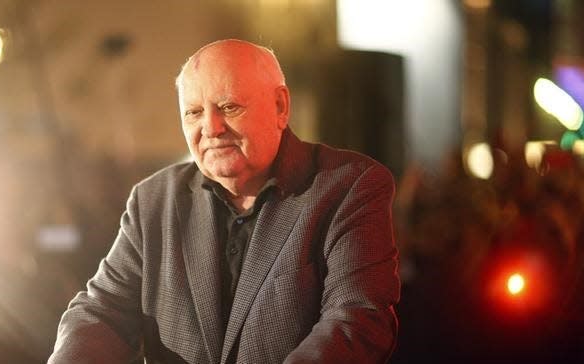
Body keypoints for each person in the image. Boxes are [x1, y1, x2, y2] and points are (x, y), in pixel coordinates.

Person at [48, 39, 400, 364]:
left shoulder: (348, 186)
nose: (211, 128)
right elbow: (102, 311)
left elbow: (357, 318)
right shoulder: (153, 200)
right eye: (194, 113)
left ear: (280, 106)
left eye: (229, 107)